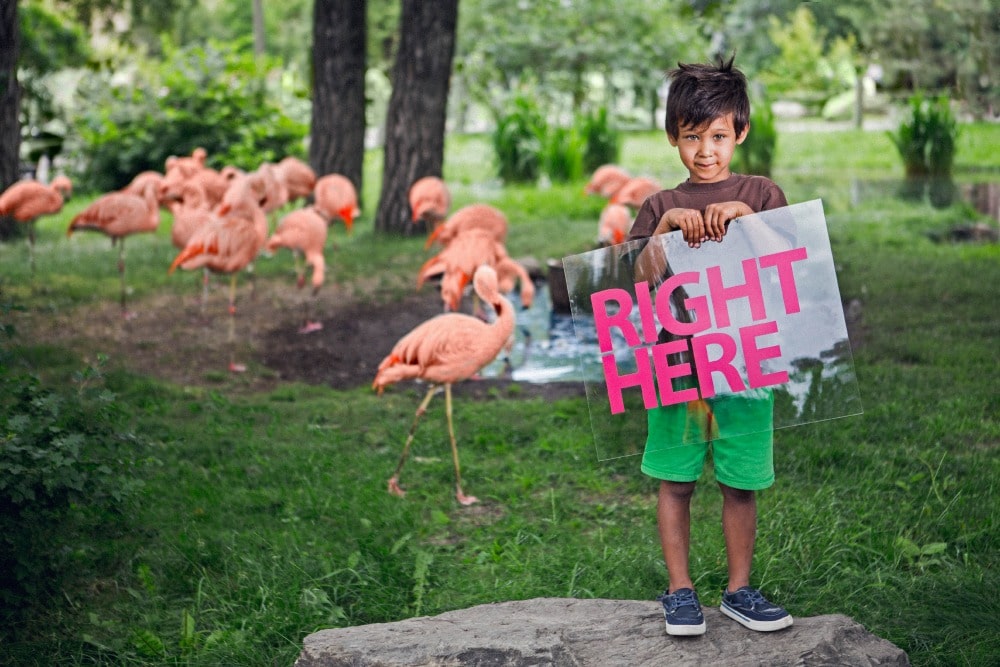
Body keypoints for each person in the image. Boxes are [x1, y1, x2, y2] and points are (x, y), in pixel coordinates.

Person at [626, 56, 793, 637]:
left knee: (740, 481)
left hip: (746, 363)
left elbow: (789, 263)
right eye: (691, 137)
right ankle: (680, 592)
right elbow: (636, 281)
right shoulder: (656, 206)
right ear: (673, 136)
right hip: (678, 363)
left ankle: (740, 590)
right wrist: (667, 227)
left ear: (739, 133)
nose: (705, 151)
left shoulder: (761, 192)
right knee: (675, 479)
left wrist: (747, 217)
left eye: (718, 136)